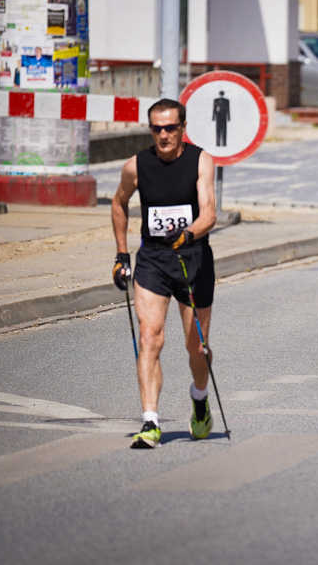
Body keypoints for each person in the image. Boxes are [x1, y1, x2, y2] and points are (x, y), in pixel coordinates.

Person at [111, 98, 217, 448]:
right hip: (154, 260)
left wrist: (188, 234)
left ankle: (199, 399)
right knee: (150, 338)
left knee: (196, 347)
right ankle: (150, 422)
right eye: (157, 128)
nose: (164, 135)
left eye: (170, 127)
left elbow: (209, 214)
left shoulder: (201, 160)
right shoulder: (136, 166)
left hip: (193, 258)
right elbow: (118, 203)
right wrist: (122, 253)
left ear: (182, 128)